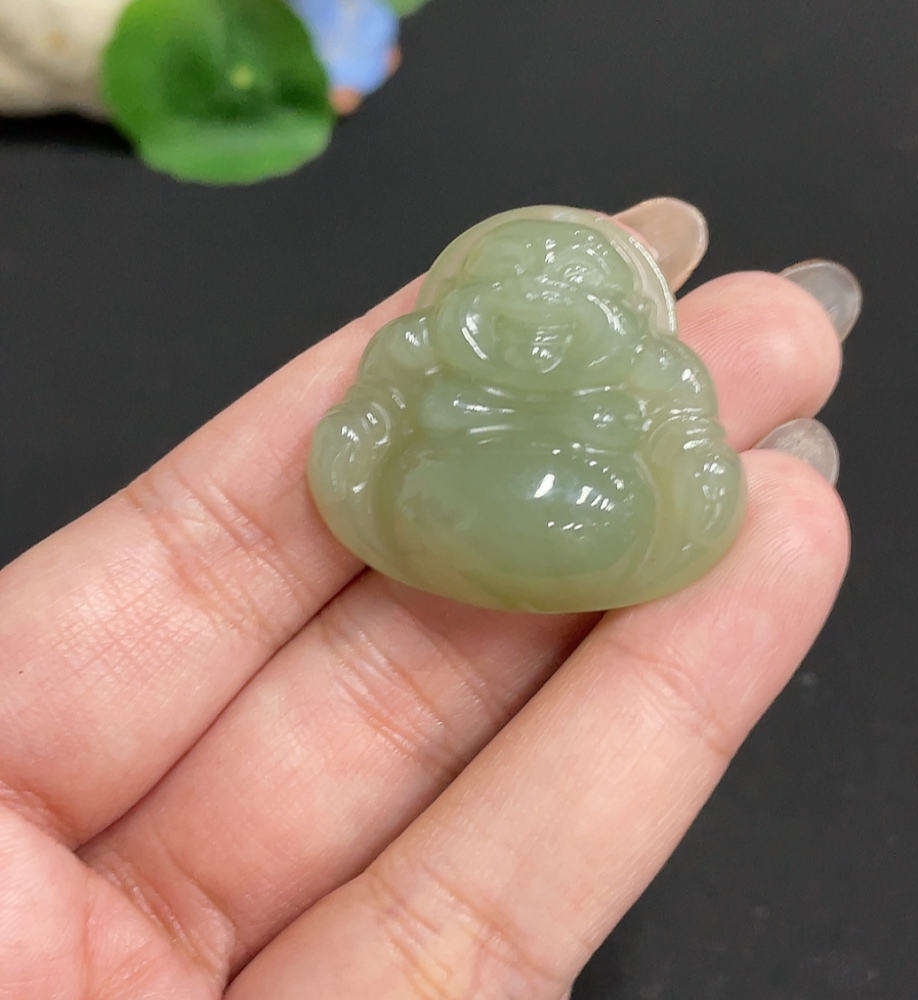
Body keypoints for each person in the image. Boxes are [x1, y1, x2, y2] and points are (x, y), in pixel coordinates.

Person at [0, 197, 855, 999]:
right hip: (437, 502)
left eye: (572, 292)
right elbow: (368, 419)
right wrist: (363, 451)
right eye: (513, 286)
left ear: (620, 313)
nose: (539, 310)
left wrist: (694, 486)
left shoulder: (653, 370)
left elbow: (684, 442)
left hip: (598, 513)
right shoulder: (419, 351)